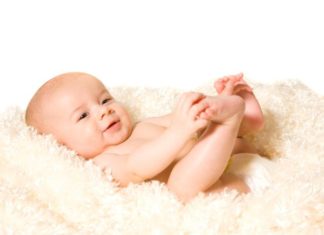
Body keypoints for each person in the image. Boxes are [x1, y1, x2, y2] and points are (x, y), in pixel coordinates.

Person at [25, 72, 264, 202]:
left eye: (105, 100)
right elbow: (138, 167)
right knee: (181, 189)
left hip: (236, 158)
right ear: (60, 146)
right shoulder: (103, 163)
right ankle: (231, 119)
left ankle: (241, 116)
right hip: (229, 184)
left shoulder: (143, 126)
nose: (103, 110)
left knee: (207, 126)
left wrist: (206, 105)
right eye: (83, 116)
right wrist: (179, 131)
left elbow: (181, 119)